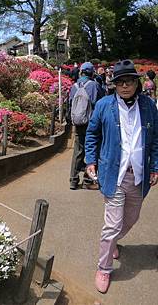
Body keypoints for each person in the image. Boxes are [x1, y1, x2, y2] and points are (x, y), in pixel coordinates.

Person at [85, 59, 158, 294]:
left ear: (137, 83)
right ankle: (104, 268)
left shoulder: (148, 105)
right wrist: (90, 160)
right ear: (114, 84)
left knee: (132, 218)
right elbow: (92, 134)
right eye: (120, 82)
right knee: (112, 224)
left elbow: (155, 139)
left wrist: (155, 167)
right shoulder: (104, 105)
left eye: (130, 81)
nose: (125, 85)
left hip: (138, 174)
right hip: (112, 173)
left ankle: (113, 242)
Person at [69, 62, 104, 190]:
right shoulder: (95, 85)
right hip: (92, 124)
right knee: (92, 151)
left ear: (81, 72)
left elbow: (69, 104)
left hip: (78, 123)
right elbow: (101, 104)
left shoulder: (73, 86)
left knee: (78, 151)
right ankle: (88, 180)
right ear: (92, 73)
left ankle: (73, 180)